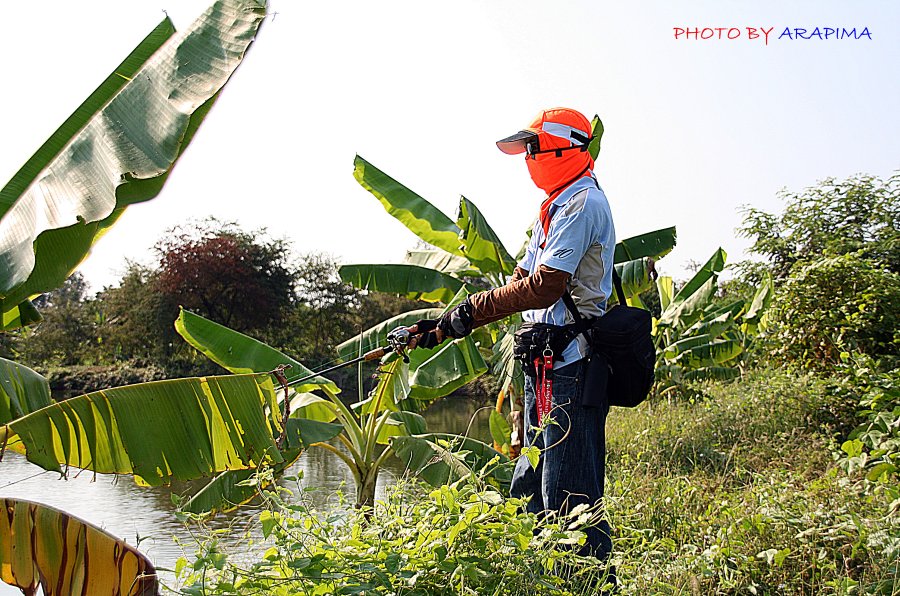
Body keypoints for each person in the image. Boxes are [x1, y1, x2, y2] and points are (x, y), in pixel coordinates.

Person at [407, 107, 615, 564]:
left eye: (533, 149)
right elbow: (517, 282)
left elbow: (546, 285)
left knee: (570, 499)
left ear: (563, 149)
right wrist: (445, 323)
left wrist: (471, 310)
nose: (528, 159)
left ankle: (590, 584)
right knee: (529, 486)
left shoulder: (583, 204)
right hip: (542, 367)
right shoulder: (553, 208)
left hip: (572, 369)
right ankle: (539, 579)